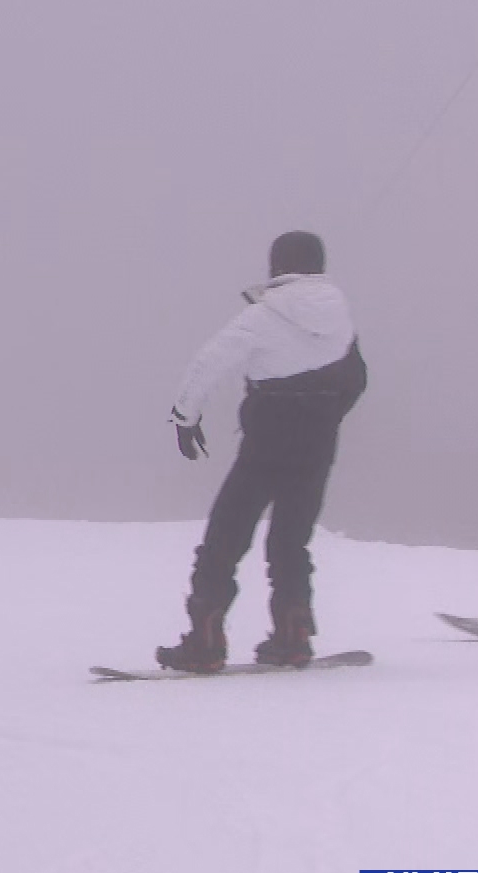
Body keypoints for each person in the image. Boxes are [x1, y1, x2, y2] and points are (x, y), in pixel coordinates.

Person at [156, 231, 368, 673]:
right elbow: (357, 378)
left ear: (278, 265)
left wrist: (185, 417)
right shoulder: (340, 317)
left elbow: (209, 362)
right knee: (291, 542)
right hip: (318, 444)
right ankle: (293, 637)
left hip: (267, 439)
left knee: (225, 538)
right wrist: (327, 415)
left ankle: (205, 642)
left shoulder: (263, 315)